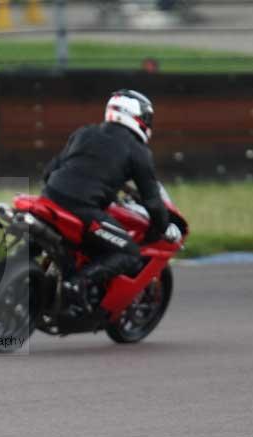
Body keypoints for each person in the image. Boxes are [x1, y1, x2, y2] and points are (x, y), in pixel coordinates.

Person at [40, 89, 182, 310]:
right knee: (130, 252)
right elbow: (153, 200)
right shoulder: (138, 151)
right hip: (83, 210)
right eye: (146, 118)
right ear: (134, 116)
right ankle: (77, 284)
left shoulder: (84, 133)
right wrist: (162, 227)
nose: (147, 123)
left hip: (48, 199)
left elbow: (50, 171)